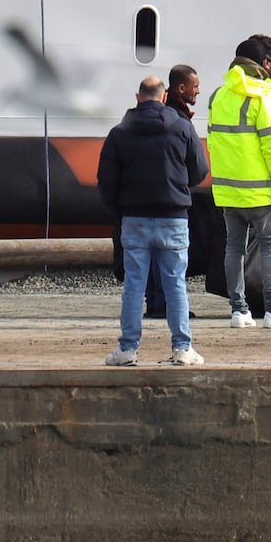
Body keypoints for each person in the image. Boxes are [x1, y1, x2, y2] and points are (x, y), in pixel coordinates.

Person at [97, 75, 210, 366]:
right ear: (163, 97)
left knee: (135, 285)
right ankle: (182, 348)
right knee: (175, 285)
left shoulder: (119, 133)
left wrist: (120, 212)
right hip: (173, 217)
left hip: (134, 218)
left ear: (138, 97)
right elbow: (199, 171)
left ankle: (127, 349)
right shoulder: (182, 127)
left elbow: (106, 181)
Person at [207, 34, 271, 330]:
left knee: (233, 249)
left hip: (229, 191)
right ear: (265, 63)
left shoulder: (218, 95)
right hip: (261, 192)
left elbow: (214, 143)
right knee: (270, 248)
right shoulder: (264, 96)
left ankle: (239, 311)